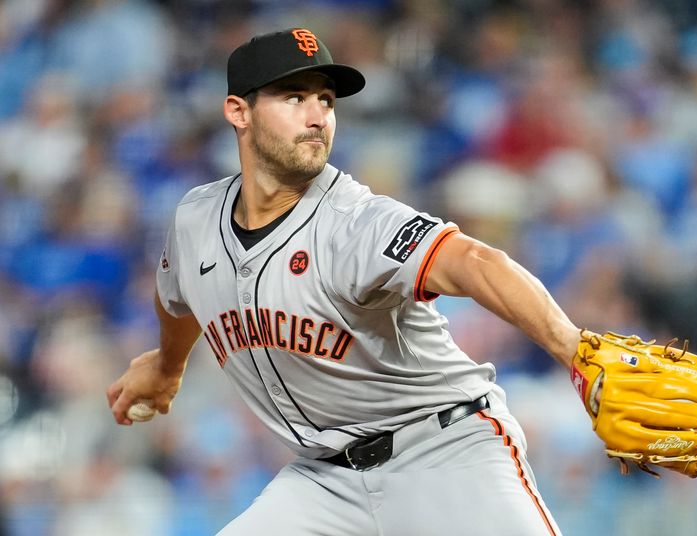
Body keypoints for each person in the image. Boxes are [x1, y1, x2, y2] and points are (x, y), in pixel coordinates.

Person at [106, 27, 584, 535]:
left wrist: (574, 350)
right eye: (294, 97)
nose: (317, 117)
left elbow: (476, 262)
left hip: (445, 454)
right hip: (322, 483)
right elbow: (177, 299)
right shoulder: (195, 219)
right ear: (238, 112)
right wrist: (167, 365)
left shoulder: (357, 221)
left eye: (326, 100)